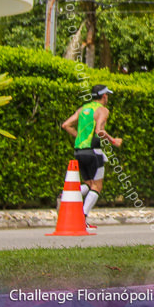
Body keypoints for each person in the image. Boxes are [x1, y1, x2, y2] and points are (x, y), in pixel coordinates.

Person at [60, 85, 123, 229]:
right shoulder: (102, 110)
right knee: (97, 186)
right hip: (94, 151)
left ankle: (64, 195)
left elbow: (66, 125)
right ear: (104, 96)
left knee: (88, 184)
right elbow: (99, 131)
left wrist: (81, 138)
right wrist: (114, 141)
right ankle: (81, 219)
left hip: (79, 150)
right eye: (107, 95)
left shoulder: (83, 109)